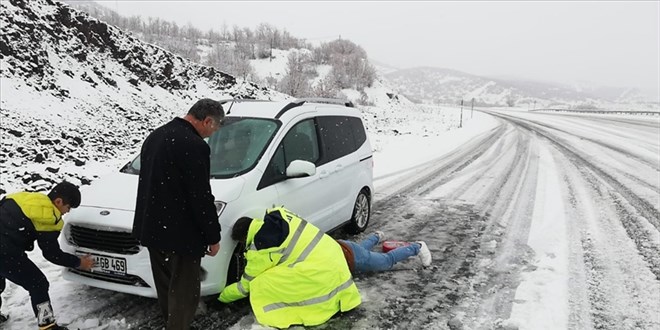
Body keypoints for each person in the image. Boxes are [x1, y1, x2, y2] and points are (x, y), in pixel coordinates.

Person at [132, 98, 224, 330]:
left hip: (153, 229)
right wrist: (212, 236)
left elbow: (149, 183)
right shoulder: (194, 145)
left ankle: (171, 325)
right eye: (214, 128)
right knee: (184, 294)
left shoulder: (156, 136)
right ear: (207, 120)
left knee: (166, 289)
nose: (211, 134)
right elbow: (200, 196)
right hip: (181, 235)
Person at [218, 207, 361, 329]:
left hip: (320, 271)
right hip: (333, 255)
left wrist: (221, 296)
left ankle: (293, 310)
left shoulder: (261, 246)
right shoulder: (278, 216)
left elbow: (244, 287)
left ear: (243, 238)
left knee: (260, 282)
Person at [0, 181, 95, 330]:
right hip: (4, 251)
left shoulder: (29, 198)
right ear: (58, 201)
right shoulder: (48, 216)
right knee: (38, 284)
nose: (66, 212)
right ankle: (47, 326)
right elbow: (52, 254)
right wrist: (79, 262)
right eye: (68, 208)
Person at [336, 231, 432, 274]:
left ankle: (418, 247)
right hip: (342, 247)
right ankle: (377, 236)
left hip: (352, 258)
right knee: (359, 249)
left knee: (386, 260)